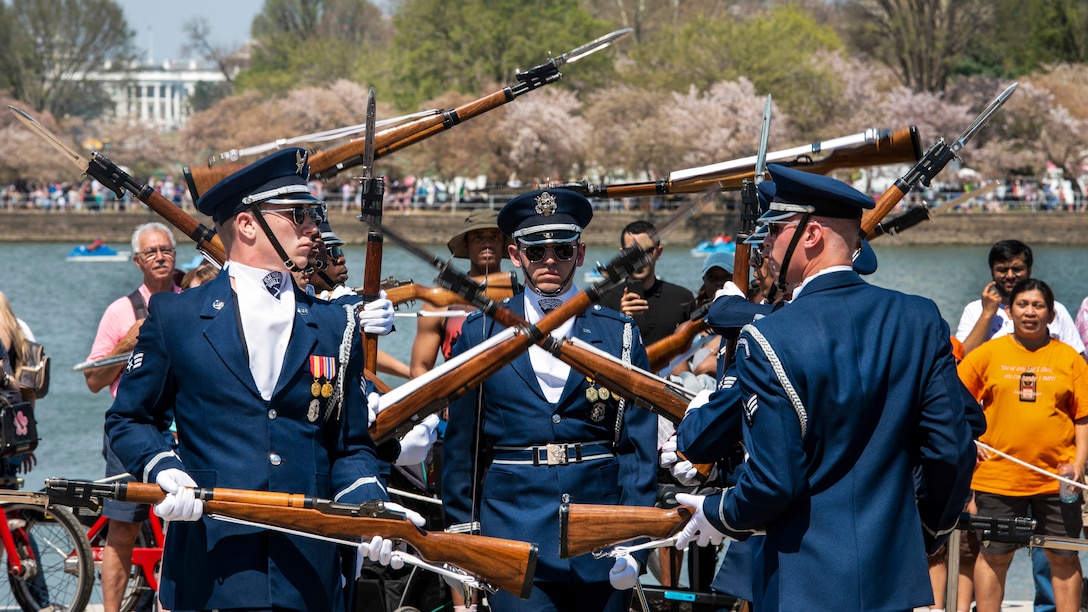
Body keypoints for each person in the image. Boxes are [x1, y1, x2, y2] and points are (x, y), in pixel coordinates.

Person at [104, 148, 407, 612]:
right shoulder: (178, 316)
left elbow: (350, 447)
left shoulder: (333, 324)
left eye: (315, 213)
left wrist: (370, 506)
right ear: (247, 225)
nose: (314, 227)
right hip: (212, 566)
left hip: (310, 571)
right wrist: (165, 469)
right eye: (299, 215)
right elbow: (129, 419)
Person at [669, 163, 981, 611]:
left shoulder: (770, 337)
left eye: (774, 230)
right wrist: (929, 529)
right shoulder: (920, 318)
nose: (765, 248)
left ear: (810, 235)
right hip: (891, 580)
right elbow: (951, 448)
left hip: (803, 582)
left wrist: (717, 513)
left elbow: (774, 483)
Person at [441, 188, 658, 611]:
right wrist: (464, 539)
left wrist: (636, 540)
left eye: (561, 249)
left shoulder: (620, 334)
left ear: (579, 254)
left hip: (601, 534)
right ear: (515, 254)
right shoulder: (480, 333)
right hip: (512, 533)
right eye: (535, 251)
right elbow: (462, 446)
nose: (549, 261)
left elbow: (637, 448)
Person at [959, 278, 1088, 612]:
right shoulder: (988, 354)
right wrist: (969, 443)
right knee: (994, 555)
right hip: (998, 478)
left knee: (1063, 556)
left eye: (1038, 306)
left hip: (1056, 480)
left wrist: (1079, 467)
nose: (1030, 312)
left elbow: (1083, 418)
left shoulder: (1070, 359)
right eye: (1023, 305)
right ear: (1009, 310)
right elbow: (954, 400)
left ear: (1051, 314)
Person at [83, 222, 181, 612]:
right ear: (138, 261)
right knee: (123, 529)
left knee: (186, 525)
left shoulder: (193, 299)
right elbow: (93, 379)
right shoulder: (120, 310)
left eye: (166, 250)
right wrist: (128, 342)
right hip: (131, 429)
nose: (160, 257)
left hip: (183, 428)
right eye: (151, 252)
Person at [409, 208, 514, 379]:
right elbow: (419, 368)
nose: (487, 243)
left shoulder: (521, 295)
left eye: (494, 237)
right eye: (478, 237)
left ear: (503, 244)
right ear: (466, 244)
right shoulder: (439, 301)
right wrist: (440, 405)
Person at [956, 239, 1084, 357]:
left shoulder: (1054, 309)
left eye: (1017, 269)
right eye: (1002, 270)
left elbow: (1078, 360)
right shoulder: (974, 310)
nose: (1010, 276)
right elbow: (962, 360)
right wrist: (987, 314)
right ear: (992, 272)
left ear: (1029, 269)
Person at [599, 220, 694, 346]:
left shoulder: (683, 298)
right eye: (632, 252)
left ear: (658, 252)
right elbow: (601, 349)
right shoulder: (605, 301)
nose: (639, 259)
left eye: (646, 251)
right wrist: (621, 319)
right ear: (622, 254)